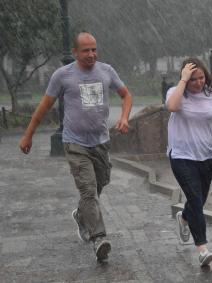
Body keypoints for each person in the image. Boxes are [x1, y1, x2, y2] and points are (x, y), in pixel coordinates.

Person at [19, 32, 132, 262]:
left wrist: (125, 117)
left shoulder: (106, 71)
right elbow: (44, 106)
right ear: (75, 52)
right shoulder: (63, 75)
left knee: (99, 185)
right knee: (88, 191)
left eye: (94, 49)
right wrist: (28, 135)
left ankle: (81, 215)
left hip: (100, 142)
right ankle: (99, 238)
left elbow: (126, 95)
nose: (91, 54)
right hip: (75, 143)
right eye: (86, 50)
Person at [166, 58, 212, 267]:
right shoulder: (176, 93)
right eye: (193, 79)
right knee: (195, 199)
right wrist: (183, 81)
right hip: (181, 156)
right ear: (185, 78)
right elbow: (172, 107)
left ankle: (184, 218)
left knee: (199, 200)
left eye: (201, 77)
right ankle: (202, 248)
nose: (198, 82)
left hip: (206, 155)